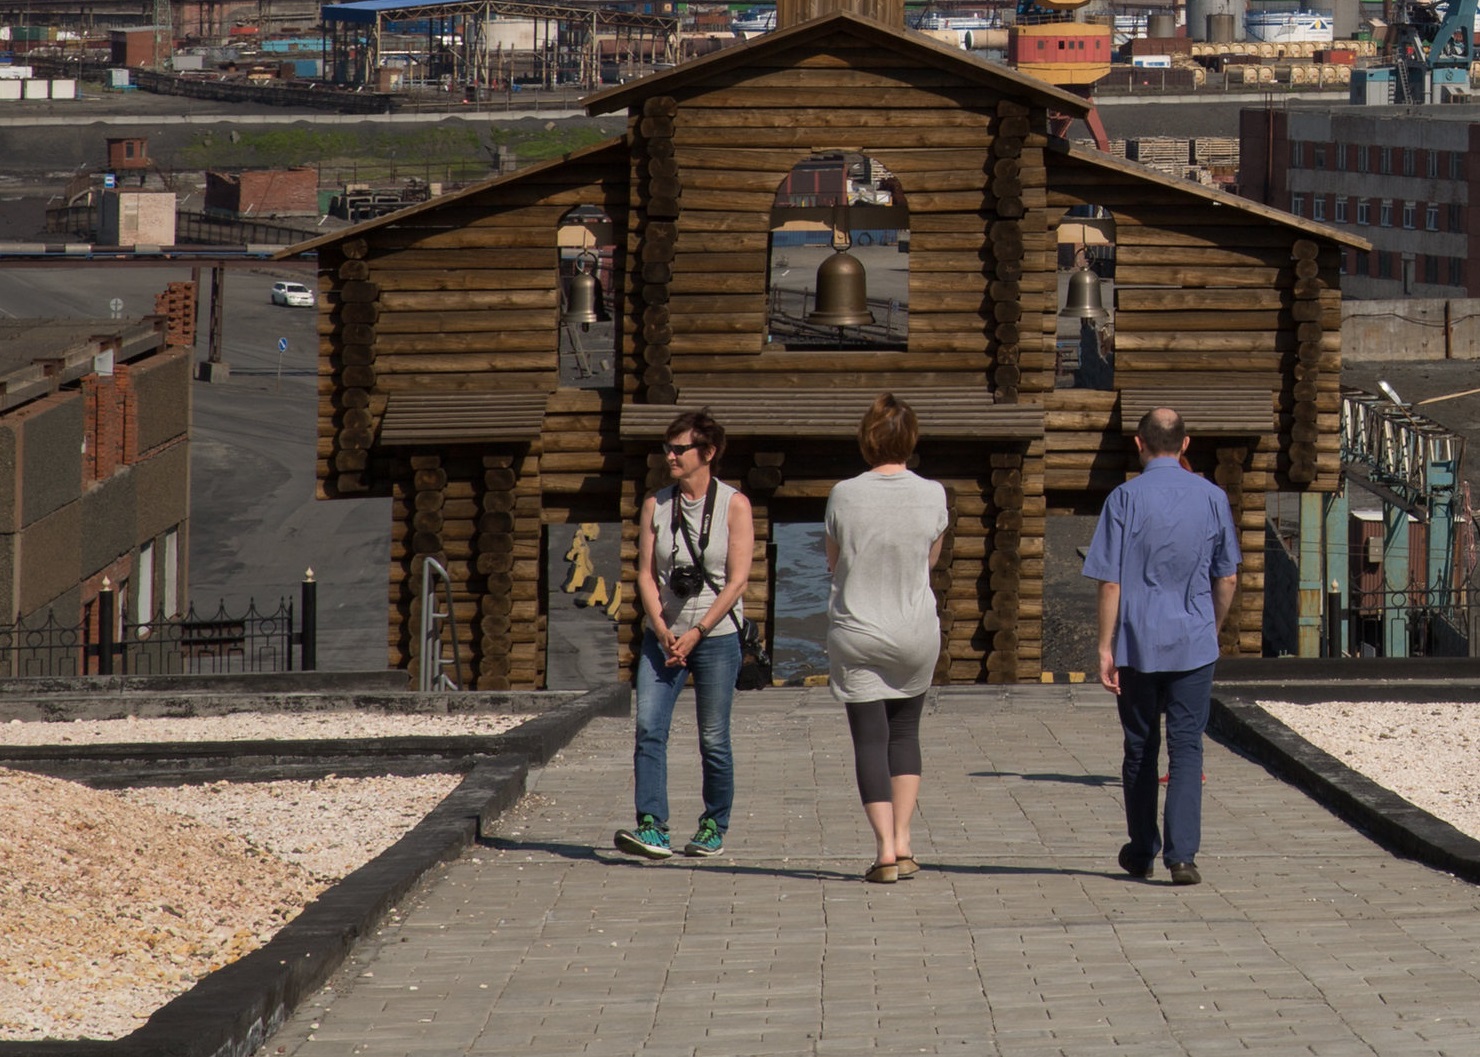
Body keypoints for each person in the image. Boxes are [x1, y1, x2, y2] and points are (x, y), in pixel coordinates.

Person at [1082, 407, 1241, 886]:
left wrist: (1105, 647)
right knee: (1187, 747)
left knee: (1140, 747)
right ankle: (1182, 855)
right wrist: (1210, 628)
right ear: (1186, 444)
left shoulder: (1123, 499)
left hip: (1137, 640)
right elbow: (1228, 576)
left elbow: (1110, 582)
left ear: (1139, 443)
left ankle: (1142, 848)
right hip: (1193, 639)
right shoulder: (1213, 497)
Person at [615, 408, 754, 860]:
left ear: (707, 453)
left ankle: (714, 823)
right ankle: (652, 825)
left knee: (713, 736)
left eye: (680, 449)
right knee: (649, 728)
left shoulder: (734, 504)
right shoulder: (656, 504)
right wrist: (660, 626)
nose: (670, 457)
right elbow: (644, 574)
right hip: (664, 636)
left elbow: (736, 581)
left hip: (714, 636)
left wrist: (697, 630)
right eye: (667, 448)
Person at [825, 394, 948, 884]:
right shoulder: (933, 493)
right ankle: (904, 839)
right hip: (914, 629)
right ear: (911, 440)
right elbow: (930, 560)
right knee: (905, 734)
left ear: (866, 439)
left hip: (858, 628)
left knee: (870, 740)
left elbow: (834, 561)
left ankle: (882, 852)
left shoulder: (843, 494)